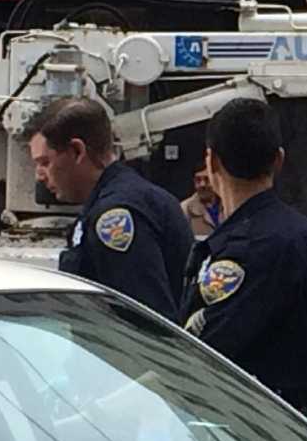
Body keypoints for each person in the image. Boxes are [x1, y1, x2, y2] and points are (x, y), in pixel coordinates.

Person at [181, 96, 307, 420]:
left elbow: (201, 352)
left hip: (243, 428)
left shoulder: (245, 249)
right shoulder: (305, 235)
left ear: (212, 163)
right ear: (279, 160)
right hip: (294, 423)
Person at [28, 97, 194, 319]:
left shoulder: (116, 216)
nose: (39, 175)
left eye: (45, 162)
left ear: (77, 151)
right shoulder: (133, 197)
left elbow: (141, 321)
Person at [182, 166, 222, 241]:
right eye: (198, 180)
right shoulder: (184, 209)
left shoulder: (229, 206)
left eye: (207, 179)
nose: (202, 184)